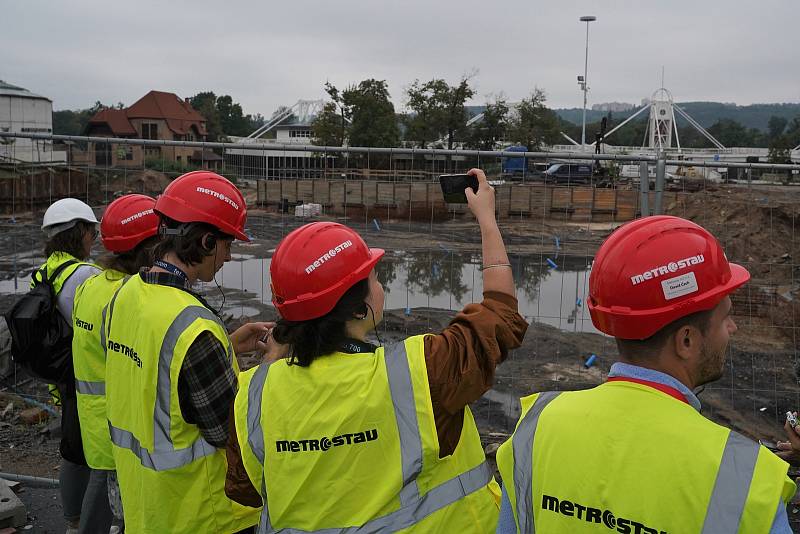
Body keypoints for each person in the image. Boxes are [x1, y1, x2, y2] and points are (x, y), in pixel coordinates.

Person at [226, 168, 528, 532]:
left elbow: (245, 491)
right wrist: (487, 220)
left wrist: (271, 369)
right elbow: (501, 314)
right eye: (375, 278)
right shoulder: (420, 373)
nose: (380, 284)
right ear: (356, 308)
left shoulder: (252, 395)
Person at [496, 215, 795, 534]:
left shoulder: (537, 427)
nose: (732, 329)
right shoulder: (746, 477)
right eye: (726, 318)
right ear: (687, 341)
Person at [103, 171, 269, 534]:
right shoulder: (194, 330)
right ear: (207, 241)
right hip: (201, 514)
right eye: (227, 245)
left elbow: (158, 377)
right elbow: (228, 432)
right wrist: (270, 367)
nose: (228, 256)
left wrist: (225, 344)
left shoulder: (125, 295)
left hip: (144, 504)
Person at [72, 194, 161, 533]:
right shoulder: (128, 298)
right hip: (124, 423)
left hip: (95, 418)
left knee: (113, 502)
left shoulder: (91, 284)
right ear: (148, 246)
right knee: (127, 513)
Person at [38, 197, 106, 534]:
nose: (94, 239)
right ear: (78, 231)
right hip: (89, 379)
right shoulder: (86, 276)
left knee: (72, 451)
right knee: (98, 459)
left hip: (63, 377)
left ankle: (72, 520)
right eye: (92, 232)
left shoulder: (47, 270)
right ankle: (85, 526)